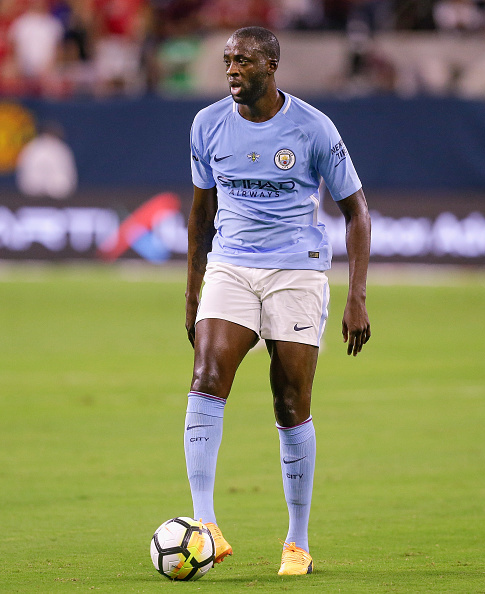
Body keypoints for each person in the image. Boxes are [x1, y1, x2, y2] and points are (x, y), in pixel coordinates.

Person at [185, 26, 371, 576]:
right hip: (231, 265)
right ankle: (205, 527)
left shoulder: (313, 128)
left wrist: (356, 297)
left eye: (242, 61)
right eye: (226, 61)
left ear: (271, 65)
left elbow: (357, 211)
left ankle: (297, 541)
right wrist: (193, 290)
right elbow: (201, 213)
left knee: (290, 403)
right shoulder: (207, 124)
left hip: (297, 271)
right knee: (206, 378)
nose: (232, 70)